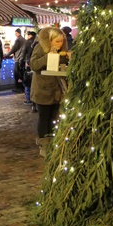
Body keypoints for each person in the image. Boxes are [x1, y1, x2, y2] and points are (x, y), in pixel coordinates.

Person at [30, 26, 70, 157]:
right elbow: (33, 65)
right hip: (43, 89)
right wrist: (48, 57)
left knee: (54, 117)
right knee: (44, 117)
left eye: (62, 41)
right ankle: (44, 144)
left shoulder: (62, 50)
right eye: (57, 41)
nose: (60, 44)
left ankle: (53, 142)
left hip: (57, 90)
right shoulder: (40, 48)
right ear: (50, 41)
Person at [5, 28, 26, 92]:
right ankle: (22, 87)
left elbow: (13, 49)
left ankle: (18, 87)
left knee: (17, 74)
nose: (15, 34)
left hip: (18, 59)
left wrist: (7, 55)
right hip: (22, 59)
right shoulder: (24, 40)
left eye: (15, 33)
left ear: (17, 33)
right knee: (21, 74)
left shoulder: (18, 40)